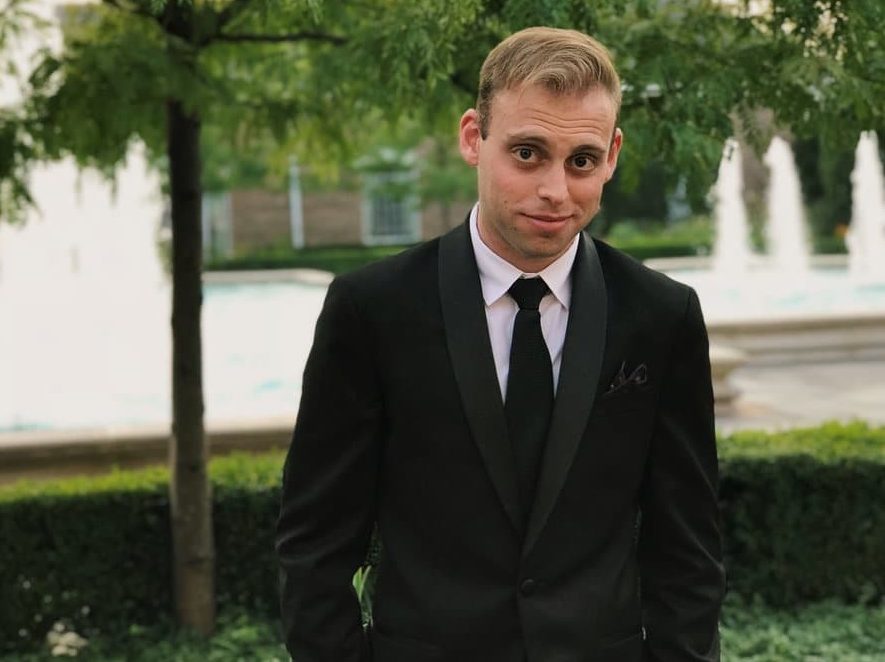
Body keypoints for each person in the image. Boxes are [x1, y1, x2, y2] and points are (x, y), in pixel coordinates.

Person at [276, 26, 725, 662]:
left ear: (613, 154)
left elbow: (689, 548)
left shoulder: (662, 314)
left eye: (581, 161)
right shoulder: (371, 309)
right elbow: (315, 541)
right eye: (527, 153)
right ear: (473, 138)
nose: (555, 190)